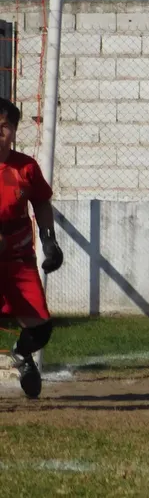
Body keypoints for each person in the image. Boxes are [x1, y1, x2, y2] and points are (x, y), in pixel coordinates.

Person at [0, 97, 63, 398]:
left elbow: (40, 200)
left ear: (13, 130)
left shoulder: (26, 167)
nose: (0, 132)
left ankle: (22, 356)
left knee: (41, 329)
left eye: (5, 126)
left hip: (18, 259)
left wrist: (49, 240)